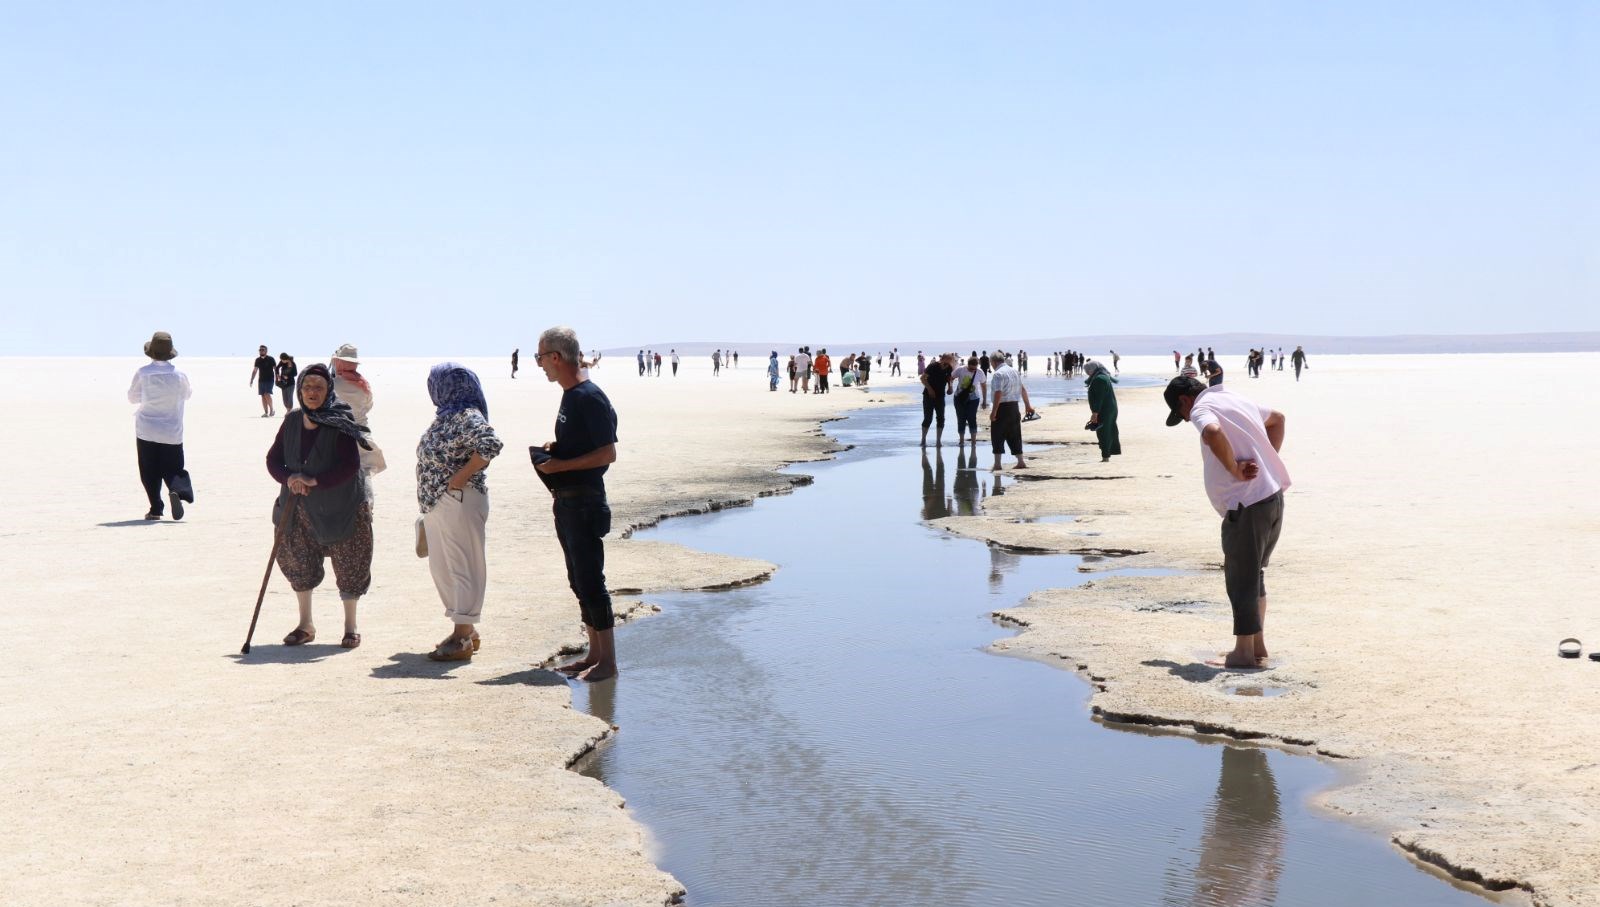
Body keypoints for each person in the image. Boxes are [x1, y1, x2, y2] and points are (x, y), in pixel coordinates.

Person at [1163, 375, 1289, 670]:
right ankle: (1257, 645)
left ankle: (1243, 654)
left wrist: (1233, 468)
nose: (1186, 419)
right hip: (1270, 498)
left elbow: (1212, 431)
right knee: (1253, 574)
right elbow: (1278, 419)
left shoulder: (1201, 408)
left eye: (1181, 415)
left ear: (1184, 400)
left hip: (1246, 507)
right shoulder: (1233, 397)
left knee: (1241, 579)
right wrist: (1267, 461)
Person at [267, 364, 375, 650]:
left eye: (318, 387)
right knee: (298, 559)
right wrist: (290, 478)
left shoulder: (340, 420)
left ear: (328, 391)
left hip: (341, 505)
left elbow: (350, 465)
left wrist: (313, 480)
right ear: (299, 390)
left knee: (349, 560)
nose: (312, 392)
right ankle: (305, 625)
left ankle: (350, 627)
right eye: (307, 387)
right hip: (297, 504)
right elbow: (273, 459)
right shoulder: (291, 421)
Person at [535, 326, 621, 682]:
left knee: (591, 580)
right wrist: (559, 451)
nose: (538, 364)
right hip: (568, 501)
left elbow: (608, 452)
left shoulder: (588, 396)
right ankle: (594, 654)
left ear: (556, 357)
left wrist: (562, 465)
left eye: (540, 357)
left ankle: (609, 662)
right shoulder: (570, 395)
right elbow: (586, 444)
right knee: (578, 579)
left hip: (586, 501)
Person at [417, 363, 503, 662]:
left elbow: (490, 444)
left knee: (461, 567)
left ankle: (462, 635)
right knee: (445, 568)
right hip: (441, 502)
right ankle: (465, 630)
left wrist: (460, 477)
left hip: (459, 499)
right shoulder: (447, 415)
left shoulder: (467, 414)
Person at [128, 331, 194, 521]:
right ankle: (176, 490)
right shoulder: (180, 376)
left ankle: (156, 508)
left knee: (149, 470)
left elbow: (132, 397)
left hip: (146, 429)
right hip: (172, 430)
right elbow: (187, 395)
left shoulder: (143, 373)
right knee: (174, 467)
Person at [330, 344, 387, 483]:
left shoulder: (331, 385)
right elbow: (368, 406)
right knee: (364, 474)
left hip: (336, 434)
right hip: (362, 434)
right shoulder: (363, 384)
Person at [988, 349, 1035, 471]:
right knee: (1015, 434)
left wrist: (994, 412)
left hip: (1002, 407)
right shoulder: (1014, 371)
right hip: (1014, 407)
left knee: (997, 435)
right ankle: (1020, 461)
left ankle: (997, 464)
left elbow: (998, 393)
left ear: (993, 362)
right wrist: (1028, 405)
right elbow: (1022, 389)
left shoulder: (998, 374)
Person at [1084, 359, 1121, 462]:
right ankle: (1107, 454)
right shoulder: (1103, 376)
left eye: (1088, 370)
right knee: (1108, 430)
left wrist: (1095, 413)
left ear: (1092, 369)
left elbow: (1099, 398)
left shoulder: (1099, 379)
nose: (1087, 373)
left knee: (1103, 432)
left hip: (1104, 410)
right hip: (1109, 408)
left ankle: (1105, 456)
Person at [951, 355, 988, 452]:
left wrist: (984, 401)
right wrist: (950, 387)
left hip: (974, 399)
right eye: (971, 368)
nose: (972, 370)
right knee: (961, 418)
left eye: (974, 369)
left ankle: (973, 442)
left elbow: (984, 386)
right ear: (968, 365)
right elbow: (951, 378)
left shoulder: (980, 372)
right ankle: (962, 441)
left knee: (972, 418)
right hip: (959, 398)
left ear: (977, 366)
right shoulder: (960, 370)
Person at [920, 352, 954, 448]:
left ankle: (938, 441)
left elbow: (949, 379)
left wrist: (950, 387)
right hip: (928, 396)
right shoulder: (932, 366)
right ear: (942, 359)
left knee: (941, 418)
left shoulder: (949, 368)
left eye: (950, 361)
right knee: (928, 418)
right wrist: (930, 389)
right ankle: (923, 440)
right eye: (948, 360)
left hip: (940, 396)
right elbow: (922, 378)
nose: (949, 363)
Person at [249, 344, 277, 417]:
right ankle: (266, 412)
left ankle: (272, 410)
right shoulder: (257, 360)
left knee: (267, 394)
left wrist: (278, 377)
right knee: (263, 396)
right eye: (260, 350)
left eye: (262, 350)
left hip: (270, 379)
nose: (261, 351)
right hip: (261, 380)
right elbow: (255, 370)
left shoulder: (271, 359)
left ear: (266, 351)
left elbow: (275, 368)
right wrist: (252, 379)